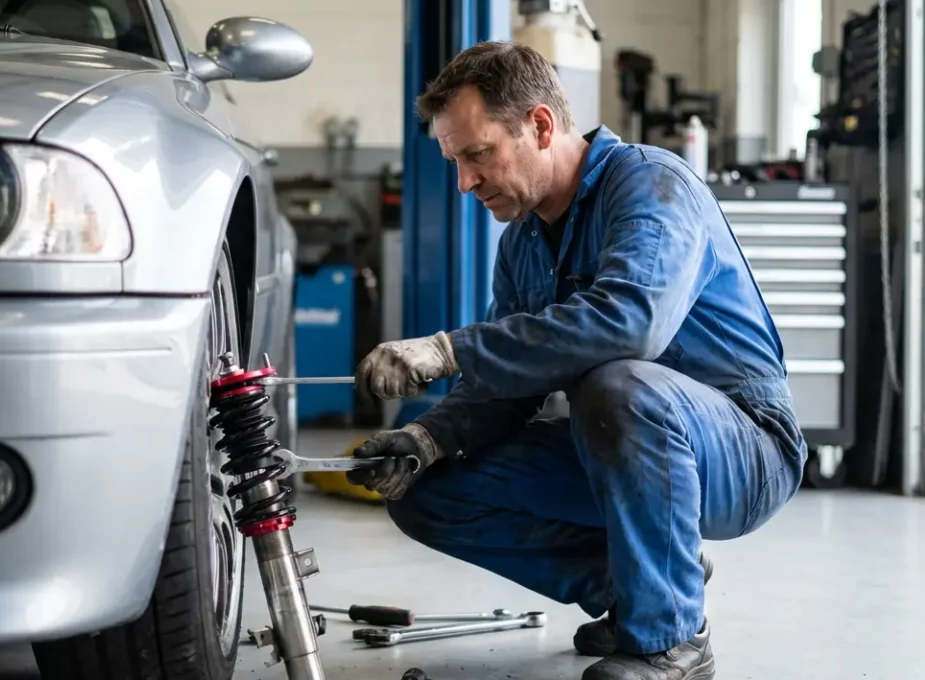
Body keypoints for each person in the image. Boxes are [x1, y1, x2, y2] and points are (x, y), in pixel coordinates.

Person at [345, 41, 808, 680]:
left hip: (746, 450)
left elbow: (631, 323)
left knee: (618, 383)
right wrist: (427, 437)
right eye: (455, 161)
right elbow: (508, 387)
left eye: (478, 154)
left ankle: (670, 640)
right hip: (622, 439)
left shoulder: (651, 184)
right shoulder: (523, 246)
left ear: (539, 124)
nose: (465, 182)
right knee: (426, 492)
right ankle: (643, 587)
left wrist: (451, 349)